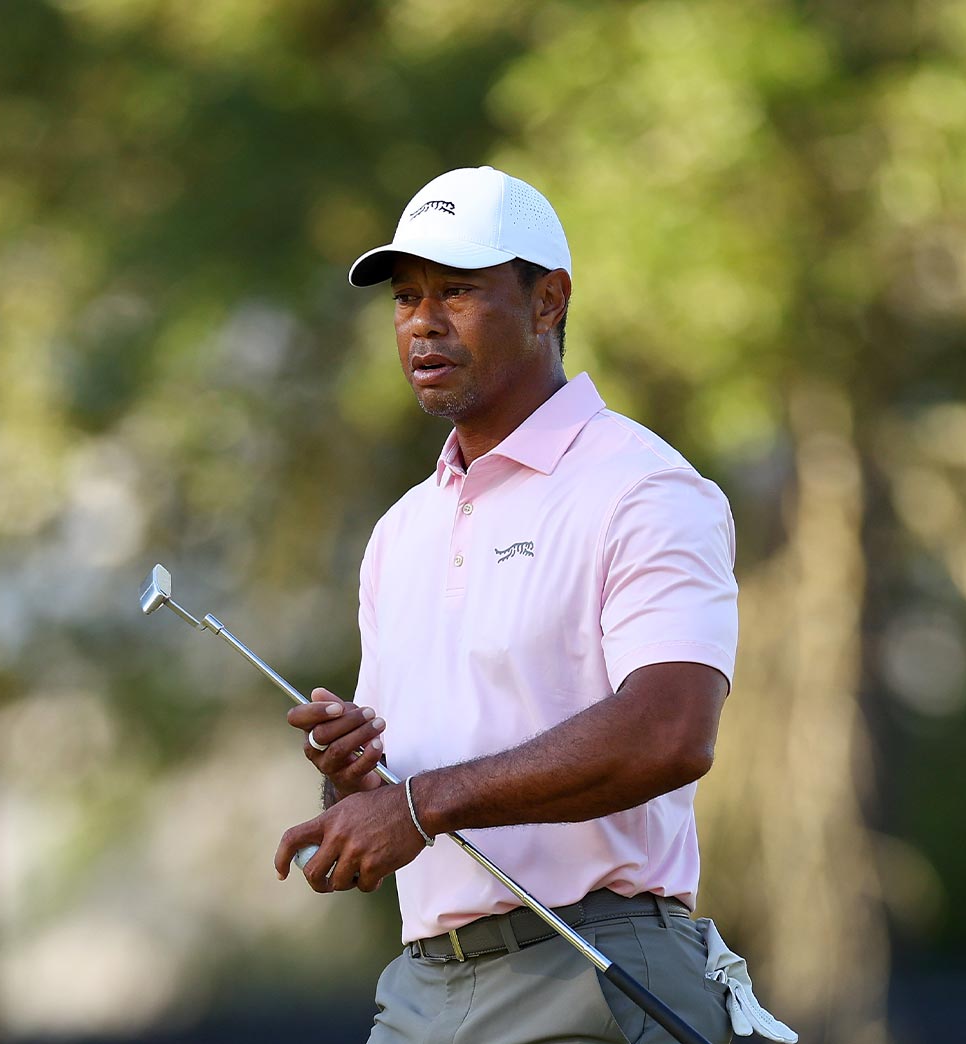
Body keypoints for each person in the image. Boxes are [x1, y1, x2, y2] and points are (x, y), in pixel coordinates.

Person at [273, 167, 790, 1043]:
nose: (424, 322)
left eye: (459, 292)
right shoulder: (401, 531)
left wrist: (418, 807)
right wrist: (353, 781)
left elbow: (671, 732)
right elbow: (415, 778)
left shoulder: (644, 488)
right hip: (421, 987)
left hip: (592, 969)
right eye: (406, 298)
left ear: (548, 301)